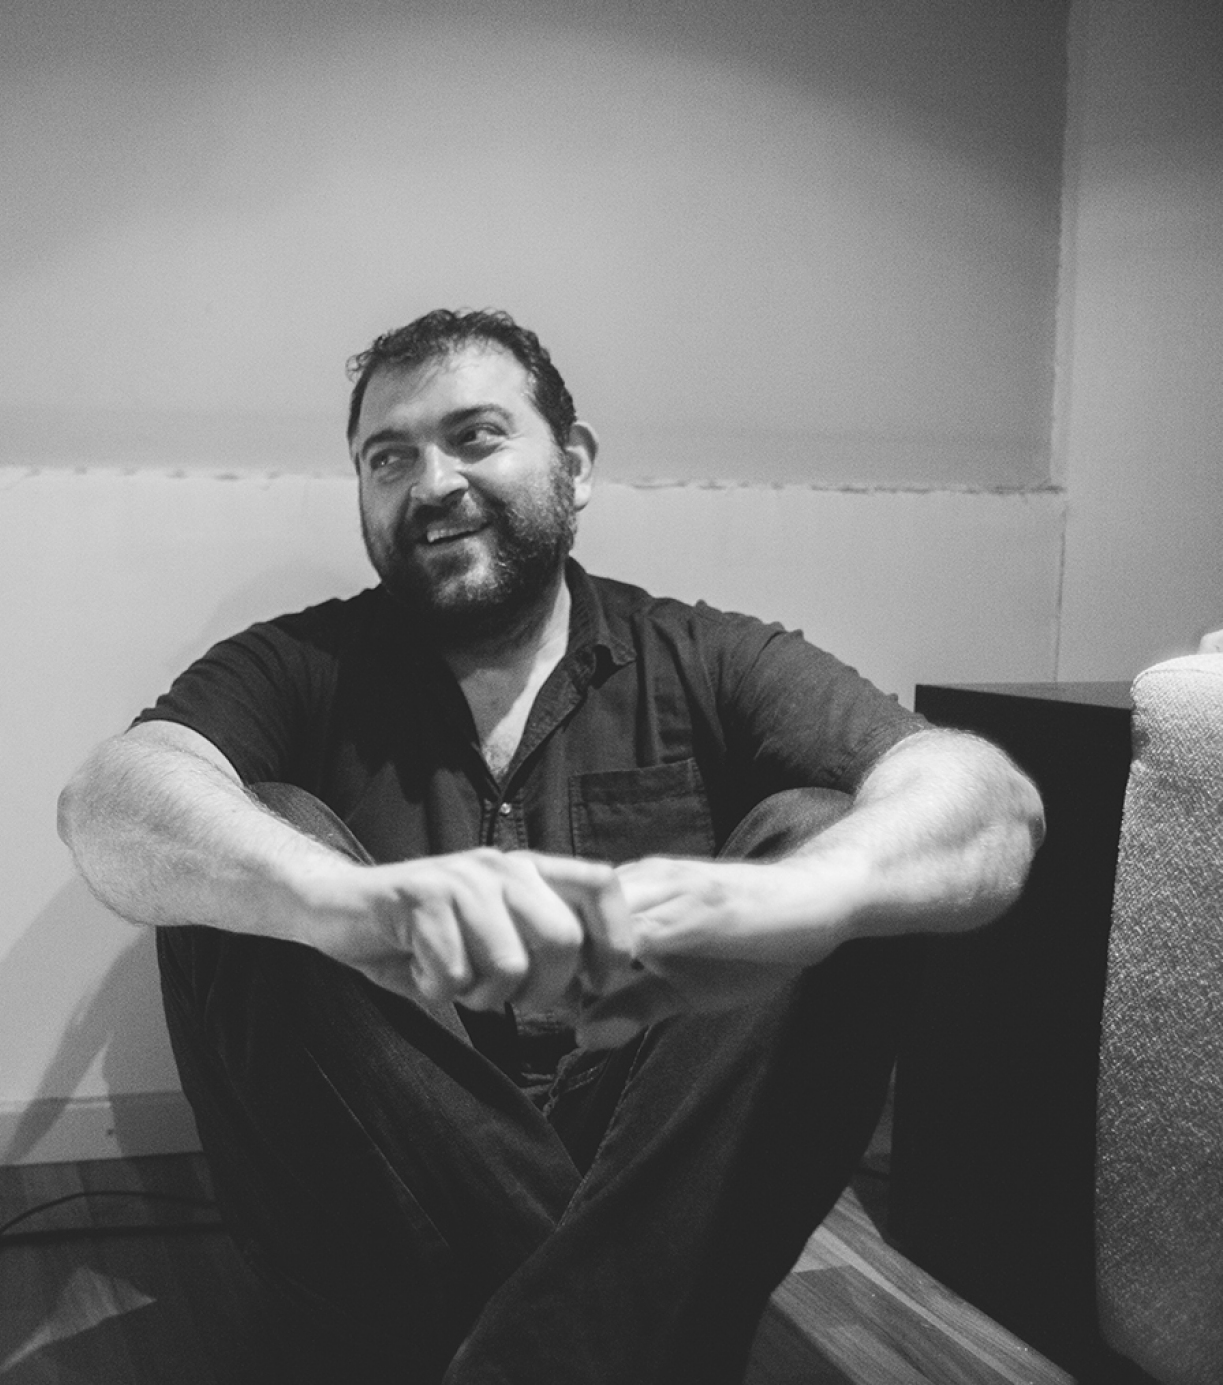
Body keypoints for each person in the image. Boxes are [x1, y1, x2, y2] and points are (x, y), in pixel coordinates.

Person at [56, 308, 1043, 1383]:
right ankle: (609, 1334)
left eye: (474, 435)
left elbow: (986, 804)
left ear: (573, 464)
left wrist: (801, 903)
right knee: (245, 843)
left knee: (831, 834)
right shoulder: (299, 664)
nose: (432, 482)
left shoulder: (705, 655)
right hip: (400, 1195)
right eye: (388, 457)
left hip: (647, 1151)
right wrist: (342, 905)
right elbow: (109, 801)